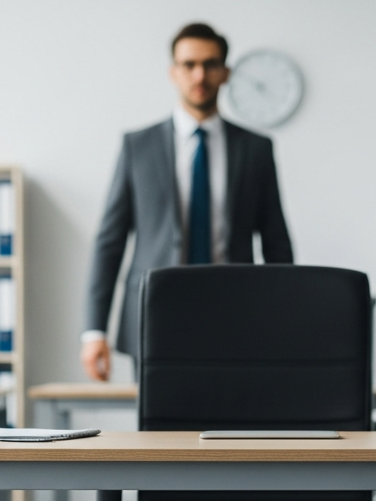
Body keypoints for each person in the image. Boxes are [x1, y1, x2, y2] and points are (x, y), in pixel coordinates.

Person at [80, 22, 294, 381]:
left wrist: (287, 321)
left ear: (225, 73)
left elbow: (276, 241)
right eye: (189, 64)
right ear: (173, 72)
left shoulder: (256, 149)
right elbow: (109, 240)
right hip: (154, 317)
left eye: (210, 64)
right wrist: (93, 331)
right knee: (157, 434)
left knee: (232, 431)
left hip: (237, 316)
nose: (200, 75)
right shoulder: (138, 146)